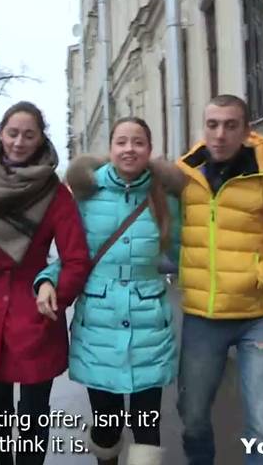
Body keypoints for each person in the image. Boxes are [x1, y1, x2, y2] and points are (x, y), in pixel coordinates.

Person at [0, 101, 92, 465]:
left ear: (41, 139)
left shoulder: (55, 194)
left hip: (34, 310)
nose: (19, 142)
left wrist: (56, 294)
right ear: (0, 134)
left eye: (29, 135)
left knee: (33, 414)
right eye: (12, 133)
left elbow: (76, 258)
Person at [34, 117, 188, 465]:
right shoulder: (86, 195)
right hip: (98, 324)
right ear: (111, 148)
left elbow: (186, 252)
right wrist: (46, 280)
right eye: (122, 142)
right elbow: (72, 255)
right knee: (107, 425)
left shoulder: (165, 198)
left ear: (149, 150)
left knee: (146, 424)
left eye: (138, 142)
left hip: (149, 324)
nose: (129, 149)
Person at [174, 95, 263, 465]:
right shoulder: (183, 180)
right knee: (192, 415)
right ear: (203, 128)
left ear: (247, 130)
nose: (220, 134)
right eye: (212, 124)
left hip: (257, 317)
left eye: (230, 125)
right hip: (202, 317)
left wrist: (256, 277)